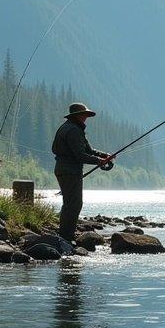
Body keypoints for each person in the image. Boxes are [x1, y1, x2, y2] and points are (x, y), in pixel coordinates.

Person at [52, 102, 113, 241]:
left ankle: (65, 234)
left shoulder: (71, 127)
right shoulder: (73, 130)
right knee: (73, 204)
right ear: (77, 115)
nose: (86, 117)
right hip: (69, 171)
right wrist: (99, 161)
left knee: (71, 203)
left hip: (66, 170)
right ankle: (66, 236)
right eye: (84, 114)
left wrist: (104, 156)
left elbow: (88, 150)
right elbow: (80, 155)